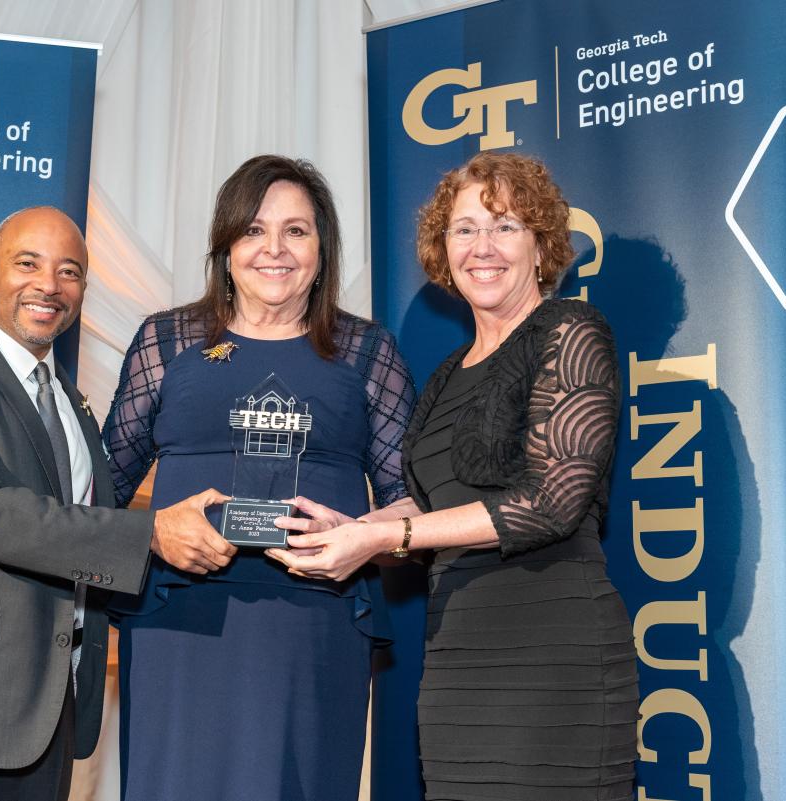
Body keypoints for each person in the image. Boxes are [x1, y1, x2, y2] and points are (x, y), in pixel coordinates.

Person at [269, 153, 639, 801]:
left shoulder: (571, 332)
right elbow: (433, 501)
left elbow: (550, 502)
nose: (482, 247)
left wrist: (387, 537)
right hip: (456, 661)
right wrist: (354, 528)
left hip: (554, 658)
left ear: (542, 242)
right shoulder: (445, 375)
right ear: (443, 250)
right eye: (464, 230)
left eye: (503, 226)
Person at [0, 206, 236, 801]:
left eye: (70, 271)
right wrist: (150, 534)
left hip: (45, 719)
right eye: (27, 263)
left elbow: (75, 540)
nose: (49, 285)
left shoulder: (73, 406)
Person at [102, 154, 417, 801]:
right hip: (178, 620)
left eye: (296, 231)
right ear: (225, 245)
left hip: (315, 624)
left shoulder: (365, 351)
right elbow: (100, 489)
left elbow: (410, 499)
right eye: (253, 230)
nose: (274, 249)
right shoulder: (167, 340)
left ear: (322, 248)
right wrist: (156, 532)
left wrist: (357, 536)